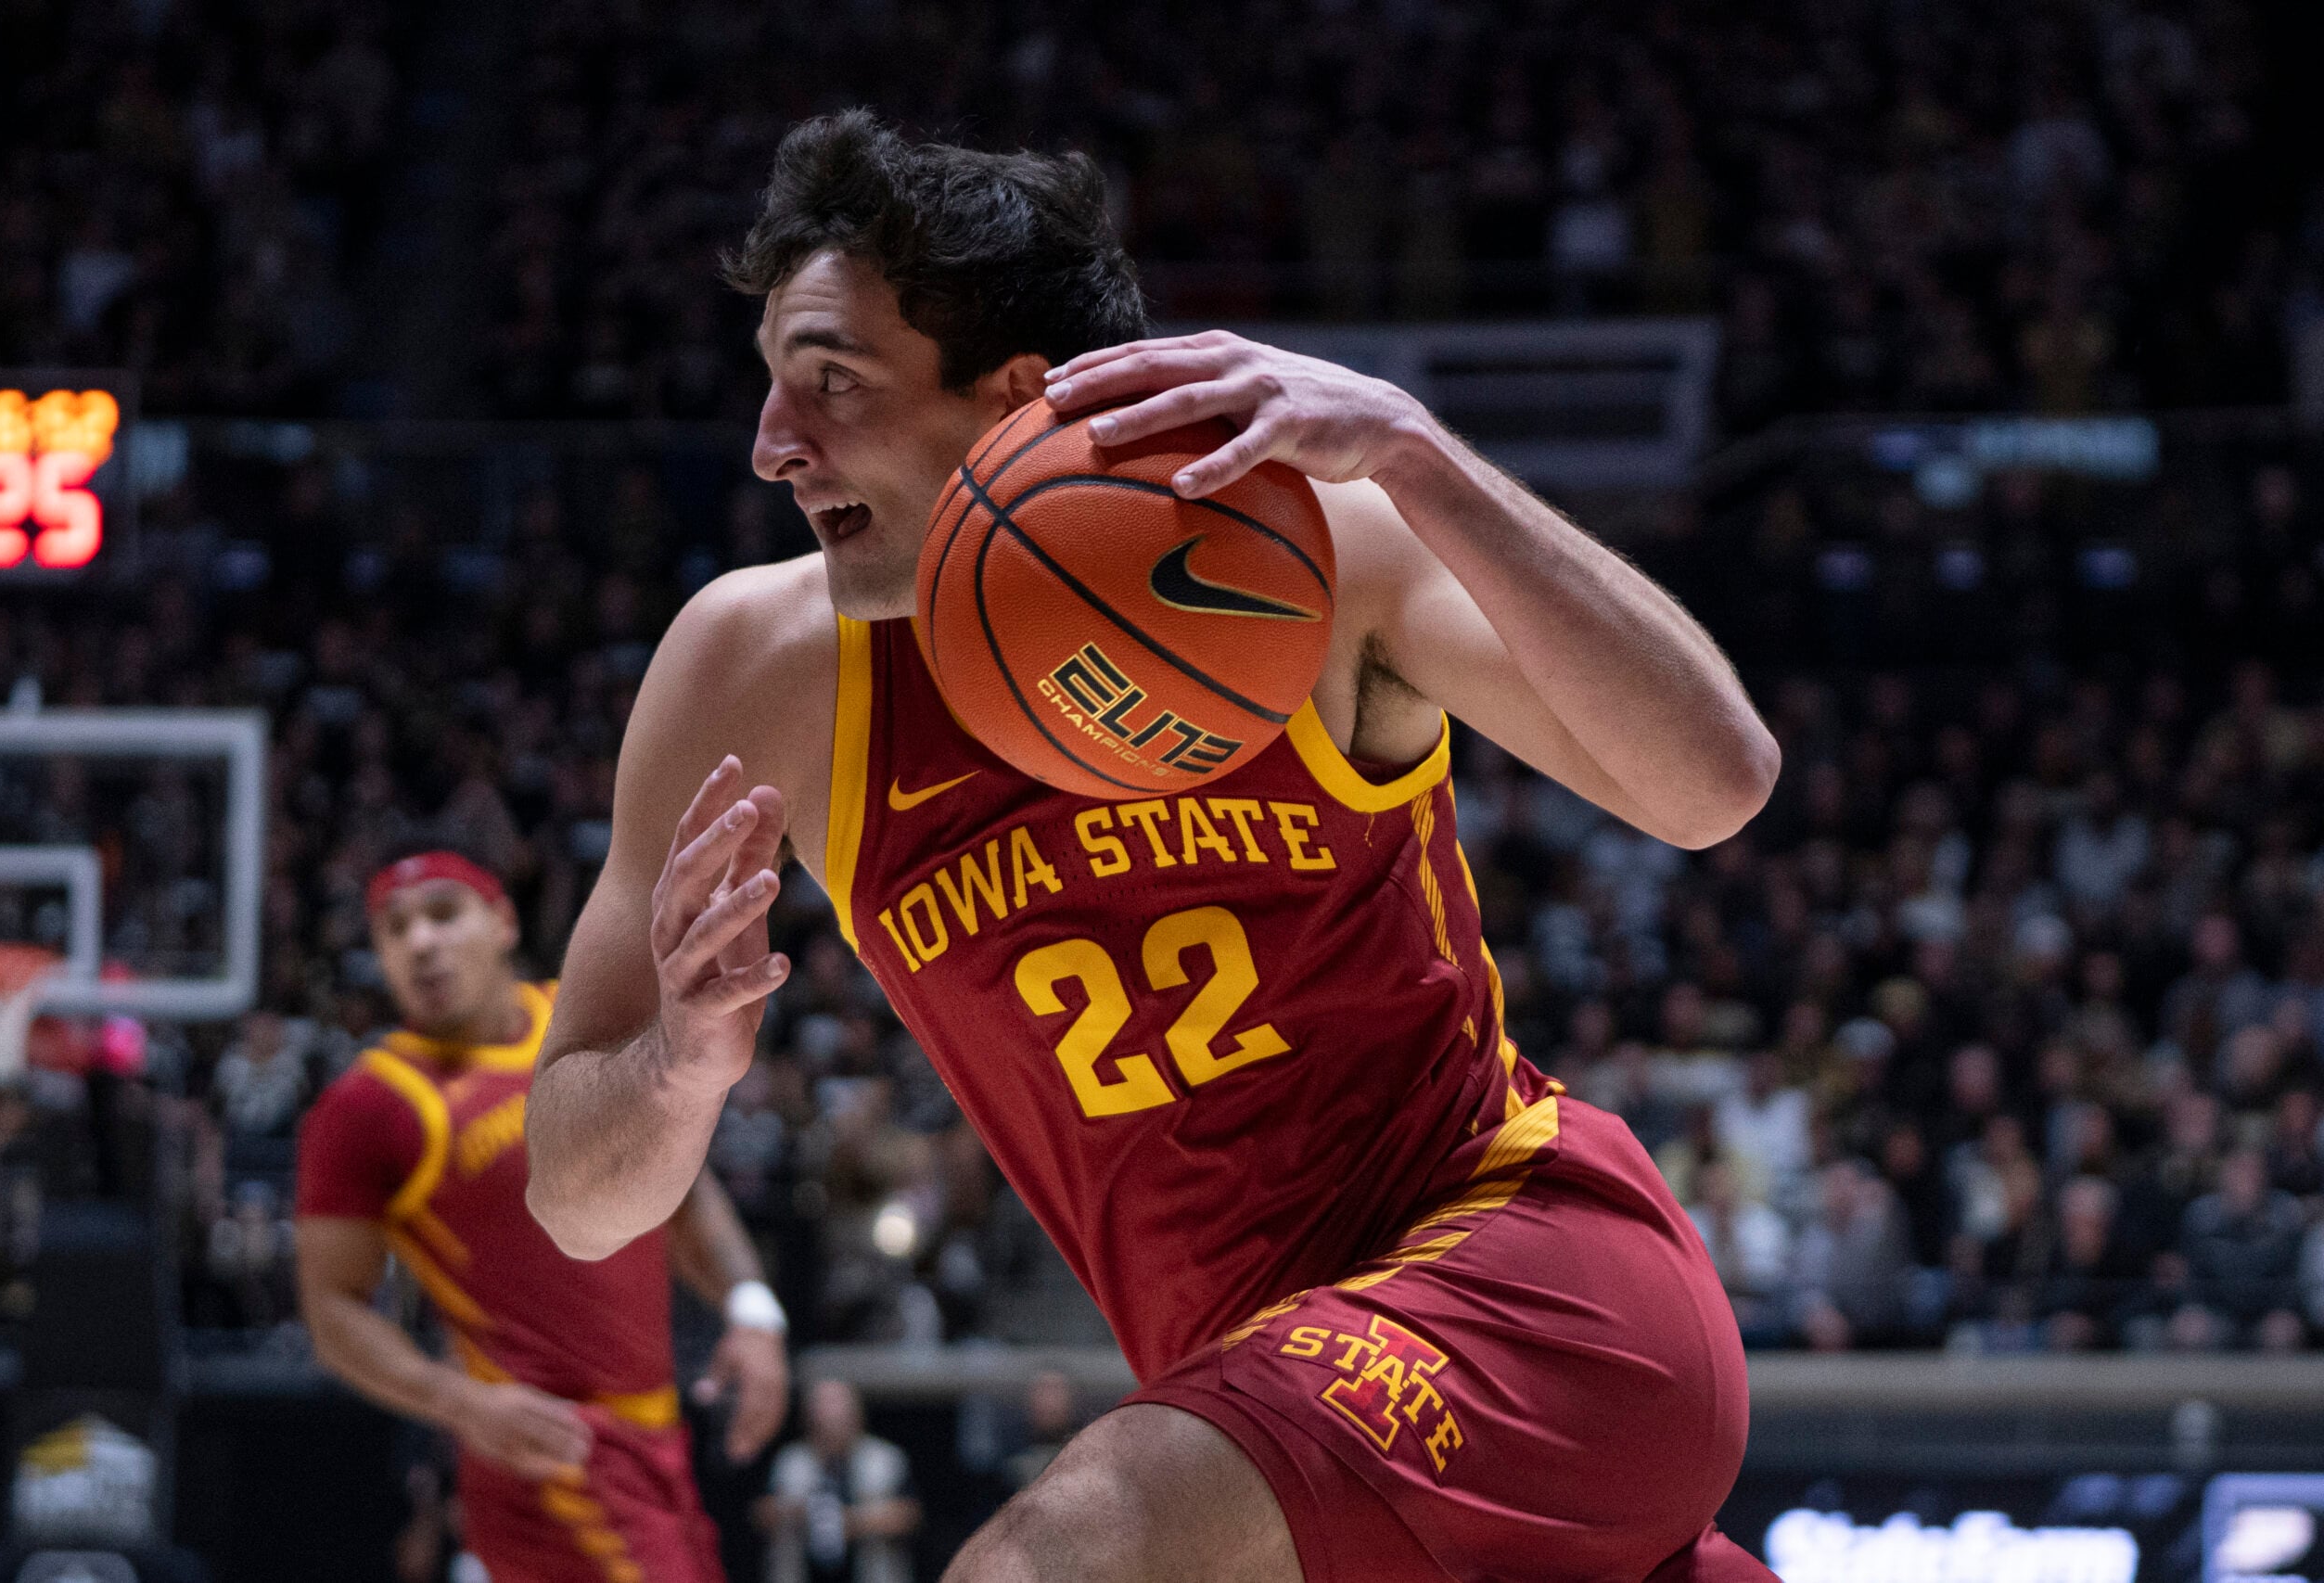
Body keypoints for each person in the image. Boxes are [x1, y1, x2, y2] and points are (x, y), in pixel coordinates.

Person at [526, 113, 1781, 1583]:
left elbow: (1715, 782)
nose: (769, 446)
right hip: (1270, 1412)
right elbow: (575, 1187)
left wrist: (1416, 452)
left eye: (832, 384)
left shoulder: (1314, 549)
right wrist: (679, 1066)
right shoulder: (754, 669)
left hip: (1525, 1283)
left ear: (1011, 396)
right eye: (771, 388)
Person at [296, 849, 793, 1583]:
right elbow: (333, 1311)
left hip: (658, 1433)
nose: (421, 942)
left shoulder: (583, 1025)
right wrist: (461, 1403)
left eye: (442, 912)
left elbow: (682, 1189)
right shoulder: (367, 1108)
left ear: (502, 920)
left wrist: (752, 1312)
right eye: (394, 928)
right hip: (549, 1452)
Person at [756, 1379, 922, 1583]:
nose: (831, 1424)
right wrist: (802, 1513)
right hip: (802, 1570)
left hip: (871, 1570)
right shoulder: (791, 1460)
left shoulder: (884, 1458)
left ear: (857, 1416)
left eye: (840, 1417)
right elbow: (760, 1513)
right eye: (822, 1415)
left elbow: (911, 1515)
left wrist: (850, 1522)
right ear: (807, 1419)